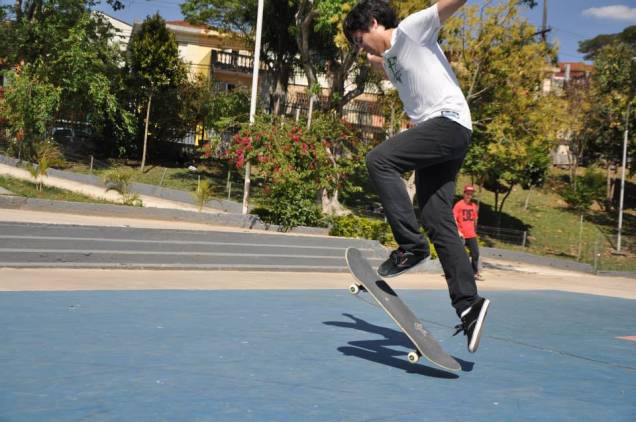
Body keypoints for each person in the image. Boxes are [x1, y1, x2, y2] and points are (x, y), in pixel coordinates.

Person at [344, 0, 489, 352]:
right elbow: (381, 61)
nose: (358, 46)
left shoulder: (413, 29)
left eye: (359, 38)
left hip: (448, 124)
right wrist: (369, 54)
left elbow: (446, 7)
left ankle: (411, 247)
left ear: (375, 23)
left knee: (380, 160)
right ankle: (469, 305)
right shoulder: (390, 59)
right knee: (437, 218)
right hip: (446, 135)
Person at [453, 185, 484, 281]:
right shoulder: (458, 205)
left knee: (475, 254)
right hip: (461, 234)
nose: (469, 195)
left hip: (471, 234)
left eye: (471, 194)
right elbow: (454, 218)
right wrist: (458, 231)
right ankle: (457, 273)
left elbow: (475, 219)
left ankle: (474, 273)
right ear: (464, 194)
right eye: (467, 193)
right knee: (460, 255)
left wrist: (474, 230)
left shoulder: (474, 206)